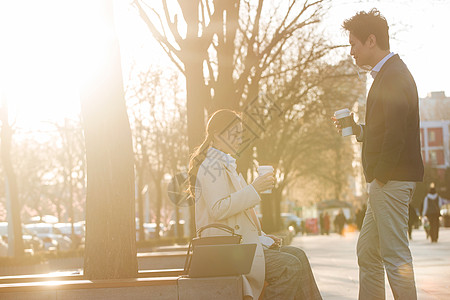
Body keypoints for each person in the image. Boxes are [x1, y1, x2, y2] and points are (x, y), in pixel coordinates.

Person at [334, 9, 424, 300]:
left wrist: (380, 178)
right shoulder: (388, 74)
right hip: (386, 181)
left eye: (354, 44)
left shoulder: (394, 76)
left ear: (371, 41)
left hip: (390, 181)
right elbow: (386, 130)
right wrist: (358, 129)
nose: (351, 52)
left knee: (396, 258)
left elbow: (396, 136)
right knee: (368, 253)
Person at [189, 109, 322, 300]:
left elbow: (238, 215)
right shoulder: (212, 165)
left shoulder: (225, 164)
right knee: (289, 266)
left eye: (240, 134)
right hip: (226, 252)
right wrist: (254, 189)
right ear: (217, 135)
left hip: (237, 246)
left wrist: (261, 237)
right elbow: (218, 209)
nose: (238, 139)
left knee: (298, 256)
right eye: (233, 134)